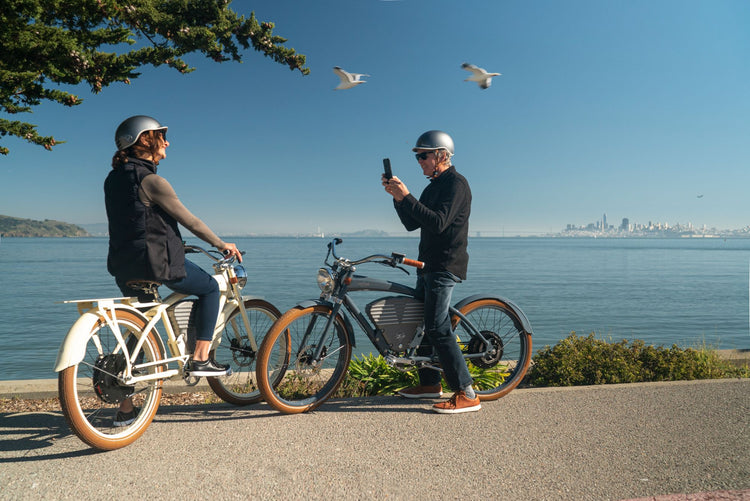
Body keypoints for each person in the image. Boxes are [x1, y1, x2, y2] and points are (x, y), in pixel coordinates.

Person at [105, 115, 242, 426]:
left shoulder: (113, 178)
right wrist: (222, 244)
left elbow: (138, 220)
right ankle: (201, 359)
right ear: (144, 141)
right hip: (157, 262)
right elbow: (190, 221)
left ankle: (124, 410)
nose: (166, 142)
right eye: (160, 136)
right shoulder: (152, 180)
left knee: (139, 328)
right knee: (208, 287)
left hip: (123, 263)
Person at [382, 130, 480, 414]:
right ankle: (430, 384)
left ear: (442, 155)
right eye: (418, 156)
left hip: (445, 265)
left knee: (437, 327)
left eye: (423, 155)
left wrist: (407, 195)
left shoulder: (457, 185)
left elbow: (438, 223)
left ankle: (467, 392)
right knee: (422, 325)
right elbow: (413, 223)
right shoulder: (433, 186)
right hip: (426, 264)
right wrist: (398, 199)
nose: (419, 161)